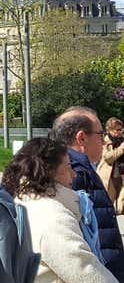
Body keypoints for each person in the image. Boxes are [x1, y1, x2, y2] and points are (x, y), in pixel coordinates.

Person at [1, 137, 116, 283]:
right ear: (49, 172)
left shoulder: (20, 201)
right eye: (68, 166)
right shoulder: (53, 217)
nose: (74, 174)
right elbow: (86, 272)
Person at [51, 106, 124, 279]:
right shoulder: (72, 174)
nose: (104, 141)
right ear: (81, 138)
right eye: (100, 135)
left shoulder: (79, 167)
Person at [97, 117, 124, 214]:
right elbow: (108, 158)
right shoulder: (105, 141)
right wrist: (121, 149)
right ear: (110, 130)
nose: (120, 132)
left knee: (121, 208)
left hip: (120, 177)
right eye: (118, 130)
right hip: (109, 178)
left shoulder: (121, 141)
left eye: (121, 129)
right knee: (108, 206)